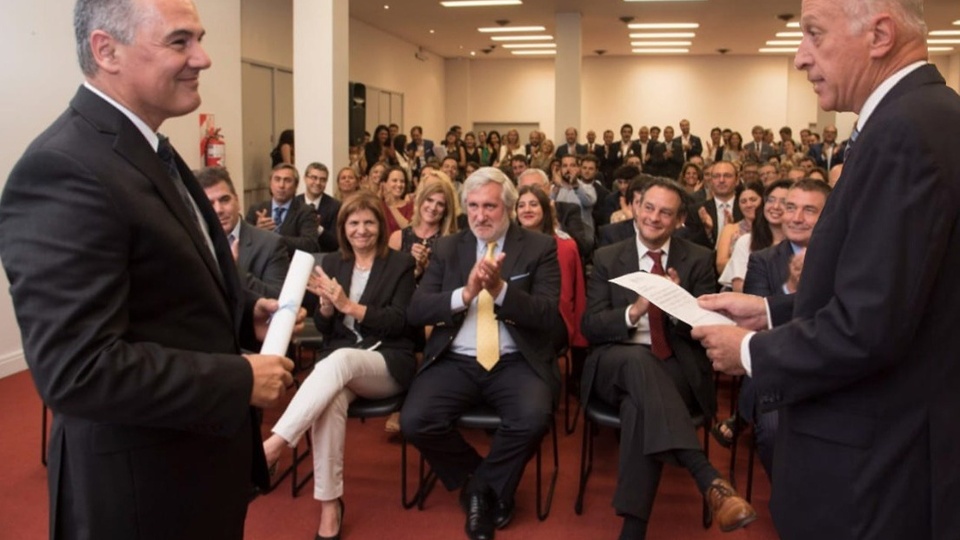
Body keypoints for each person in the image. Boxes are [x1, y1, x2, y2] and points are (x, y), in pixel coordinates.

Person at [0, 0, 296, 537]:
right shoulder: (64, 169)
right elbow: (77, 369)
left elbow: (166, 283)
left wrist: (243, 313)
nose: (203, 58)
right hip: (139, 494)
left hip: (193, 471)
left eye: (199, 39)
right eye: (179, 42)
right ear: (106, 50)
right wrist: (237, 379)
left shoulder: (146, 147)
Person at [692, 1, 960, 538]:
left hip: (876, 464)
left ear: (879, 34)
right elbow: (899, 294)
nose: (799, 58)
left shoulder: (903, 131)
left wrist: (746, 351)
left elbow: (870, 327)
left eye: (814, 34)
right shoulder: (927, 116)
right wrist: (769, 311)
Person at [581, 178, 756, 539]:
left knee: (638, 406)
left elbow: (712, 326)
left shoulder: (697, 258)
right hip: (615, 360)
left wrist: (678, 305)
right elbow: (591, 326)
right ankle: (706, 475)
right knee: (637, 363)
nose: (654, 218)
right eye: (649, 208)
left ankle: (633, 529)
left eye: (666, 212)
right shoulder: (607, 257)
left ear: (679, 221)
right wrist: (635, 310)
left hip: (675, 364)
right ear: (635, 207)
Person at [401, 167, 565, 540]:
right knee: (415, 421)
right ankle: (486, 484)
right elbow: (417, 310)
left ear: (507, 207)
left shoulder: (539, 247)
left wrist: (502, 290)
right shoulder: (446, 248)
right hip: (455, 359)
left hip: (515, 360)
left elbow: (546, 315)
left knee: (533, 417)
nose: (480, 215)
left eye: (489, 206)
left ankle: (478, 491)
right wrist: (466, 293)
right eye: (473, 206)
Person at [263, 192, 417, 540]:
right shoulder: (332, 263)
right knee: (330, 399)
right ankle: (330, 506)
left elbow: (401, 323)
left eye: (368, 222)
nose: (361, 230)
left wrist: (349, 305)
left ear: (380, 225)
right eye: (353, 223)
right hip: (341, 363)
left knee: (340, 360)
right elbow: (327, 327)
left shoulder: (400, 264)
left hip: (386, 362)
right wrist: (328, 309)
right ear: (343, 228)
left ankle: (275, 444)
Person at [515, 185, 588, 386]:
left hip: (553, 318)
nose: (527, 209)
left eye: (533, 204)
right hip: (515, 314)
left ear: (546, 210)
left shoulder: (565, 246)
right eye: (521, 205)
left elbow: (572, 296)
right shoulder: (506, 243)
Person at [198, 166, 289, 299]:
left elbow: (277, 300)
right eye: (209, 203)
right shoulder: (191, 243)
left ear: (237, 201)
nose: (218, 210)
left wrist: (235, 272)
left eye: (224, 200)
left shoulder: (270, 244)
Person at [717, 180, 790, 292]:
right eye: (771, 200)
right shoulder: (746, 241)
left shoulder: (801, 243)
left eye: (784, 202)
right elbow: (739, 288)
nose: (775, 206)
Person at [388, 173, 459, 280]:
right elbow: (387, 282)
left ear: (446, 210)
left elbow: (453, 286)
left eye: (440, 204)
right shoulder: (397, 238)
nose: (433, 207)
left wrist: (427, 265)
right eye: (429, 200)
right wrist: (414, 271)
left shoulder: (452, 243)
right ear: (420, 201)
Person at [245, 163, 320, 256]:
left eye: (287, 181)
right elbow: (243, 241)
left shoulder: (306, 211)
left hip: (290, 265)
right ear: (270, 184)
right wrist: (257, 232)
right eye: (277, 179)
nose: (281, 185)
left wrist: (273, 238)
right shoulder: (256, 209)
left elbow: (310, 244)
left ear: (296, 186)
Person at [714, 181, 763, 275]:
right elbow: (720, 265)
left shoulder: (772, 228)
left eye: (753, 200)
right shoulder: (730, 229)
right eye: (743, 201)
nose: (748, 205)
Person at [297, 162, 341, 253]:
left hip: (323, 256)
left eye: (323, 180)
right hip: (296, 256)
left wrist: (318, 229)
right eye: (314, 178)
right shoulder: (294, 204)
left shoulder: (335, 206)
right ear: (305, 178)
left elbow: (337, 242)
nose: (318, 183)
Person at [380, 166, 415, 237]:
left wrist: (392, 207)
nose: (399, 185)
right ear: (384, 184)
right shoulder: (378, 206)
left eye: (402, 181)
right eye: (394, 180)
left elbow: (410, 231)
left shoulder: (411, 206)